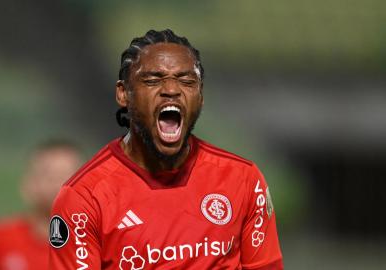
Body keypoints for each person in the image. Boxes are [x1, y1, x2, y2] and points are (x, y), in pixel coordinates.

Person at [49, 29, 283, 269]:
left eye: (187, 81)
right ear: (123, 94)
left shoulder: (243, 180)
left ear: (200, 95)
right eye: (152, 80)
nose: (171, 90)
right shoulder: (84, 198)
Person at [0, 140, 82, 270]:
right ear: (28, 184)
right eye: (49, 175)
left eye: (68, 175)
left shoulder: (98, 246)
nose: (58, 184)